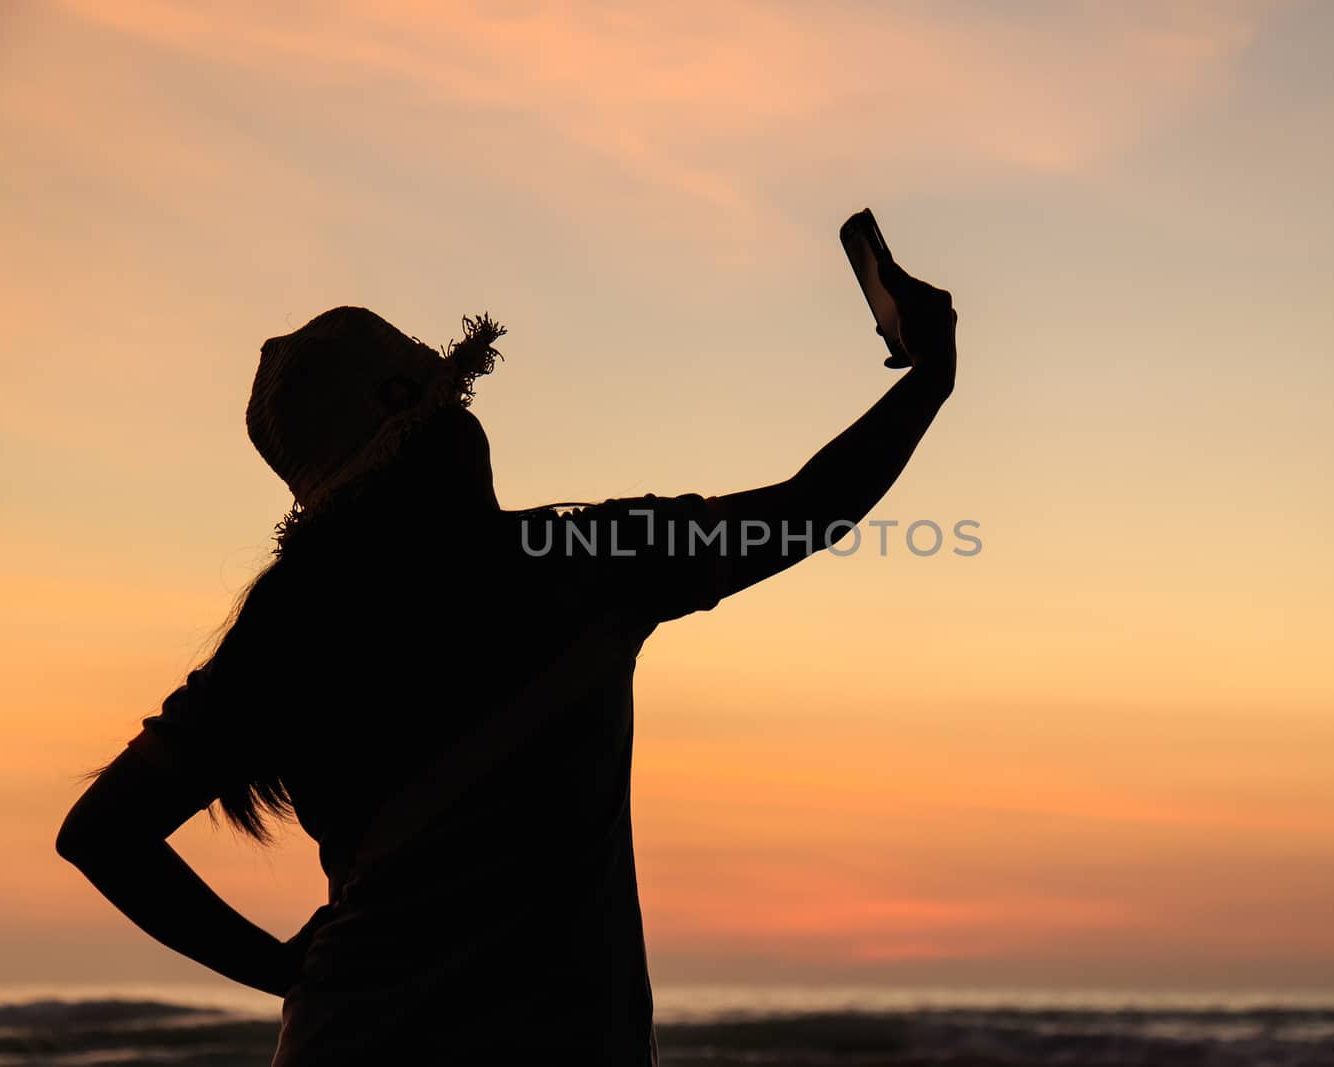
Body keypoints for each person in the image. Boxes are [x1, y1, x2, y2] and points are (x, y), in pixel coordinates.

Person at [56, 257, 957, 1065]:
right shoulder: (579, 563)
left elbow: (103, 833)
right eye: (442, 412)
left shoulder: (295, 622)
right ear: (403, 452)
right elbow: (810, 507)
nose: (467, 426)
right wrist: (931, 374)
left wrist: (285, 968)